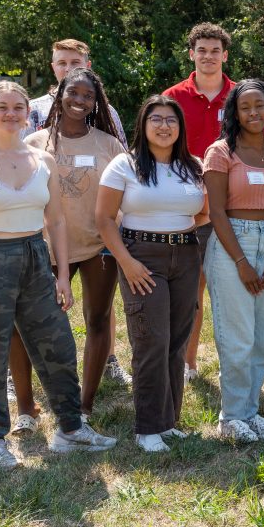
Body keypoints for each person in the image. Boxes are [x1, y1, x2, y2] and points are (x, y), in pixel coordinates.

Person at [0, 81, 117, 470]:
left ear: (29, 112)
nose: (11, 114)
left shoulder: (43, 161)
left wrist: (60, 275)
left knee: (58, 345)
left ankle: (71, 429)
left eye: (18, 108)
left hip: (36, 260)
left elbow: (56, 221)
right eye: (3, 107)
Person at [96, 96, 208, 452]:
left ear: (181, 128)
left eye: (171, 120)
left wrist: (184, 240)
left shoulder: (192, 165)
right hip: (141, 256)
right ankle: (147, 428)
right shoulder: (124, 165)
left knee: (177, 339)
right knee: (151, 340)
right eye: (156, 119)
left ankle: (169, 421)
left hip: (186, 255)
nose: (164, 126)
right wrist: (127, 263)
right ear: (143, 125)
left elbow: (203, 214)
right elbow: (103, 219)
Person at [17, 68, 126, 427]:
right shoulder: (36, 143)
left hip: (99, 247)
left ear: (96, 102)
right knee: (43, 325)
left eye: (88, 96)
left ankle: (85, 403)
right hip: (46, 249)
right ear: (59, 94)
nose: (80, 101)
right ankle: (40, 399)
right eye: (73, 94)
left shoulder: (108, 144)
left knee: (98, 320)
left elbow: (126, 192)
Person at [203, 79, 264, 443]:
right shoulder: (221, 152)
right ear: (234, 113)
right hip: (231, 243)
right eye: (245, 107)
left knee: (259, 339)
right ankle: (230, 417)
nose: (253, 113)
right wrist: (240, 260)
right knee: (235, 337)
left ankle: (250, 412)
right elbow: (216, 212)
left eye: (260, 105)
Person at [164, 23, 237, 382]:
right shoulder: (173, 97)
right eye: (202, 50)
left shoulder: (240, 96)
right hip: (186, 209)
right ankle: (188, 362)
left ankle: (233, 362)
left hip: (233, 207)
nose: (209, 56)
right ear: (192, 54)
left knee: (232, 291)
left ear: (225, 55)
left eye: (215, 51)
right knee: (192, 291)